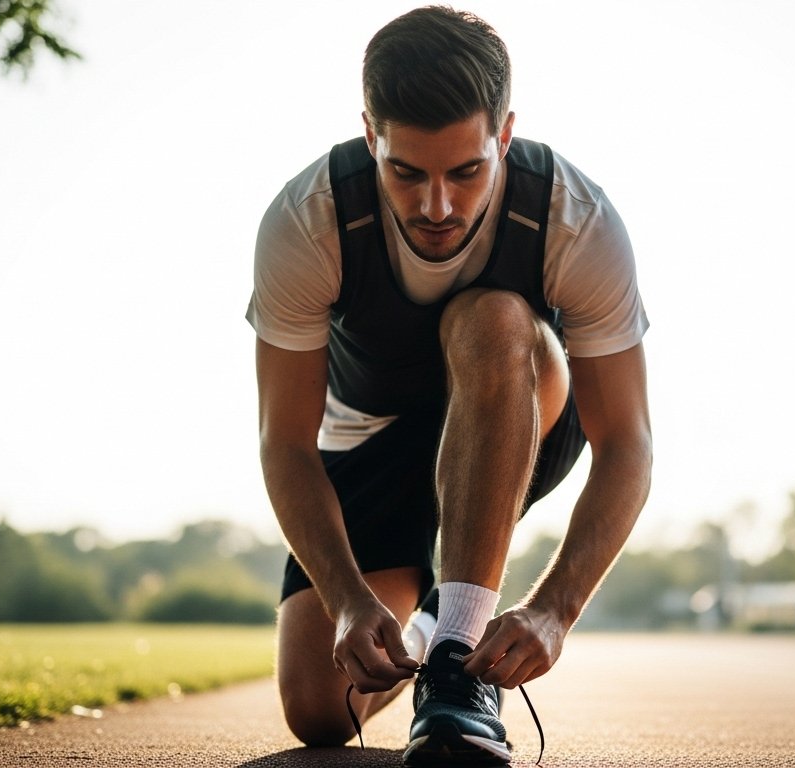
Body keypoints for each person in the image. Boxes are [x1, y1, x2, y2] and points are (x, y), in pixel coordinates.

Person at [248, 6, 651, 765]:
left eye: (467, 171)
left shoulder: (574, 219)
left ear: (504, 135)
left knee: (493, 316)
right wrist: (343, 600)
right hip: (373, 441)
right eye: (406, 172)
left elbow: (628, 444)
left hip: (527, 402)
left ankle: (459, 678)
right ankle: (441, 625)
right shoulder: (308, 222)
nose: (437, 206)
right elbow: (285, 442)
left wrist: (556, 610)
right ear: (372, 135)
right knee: (317, 710)